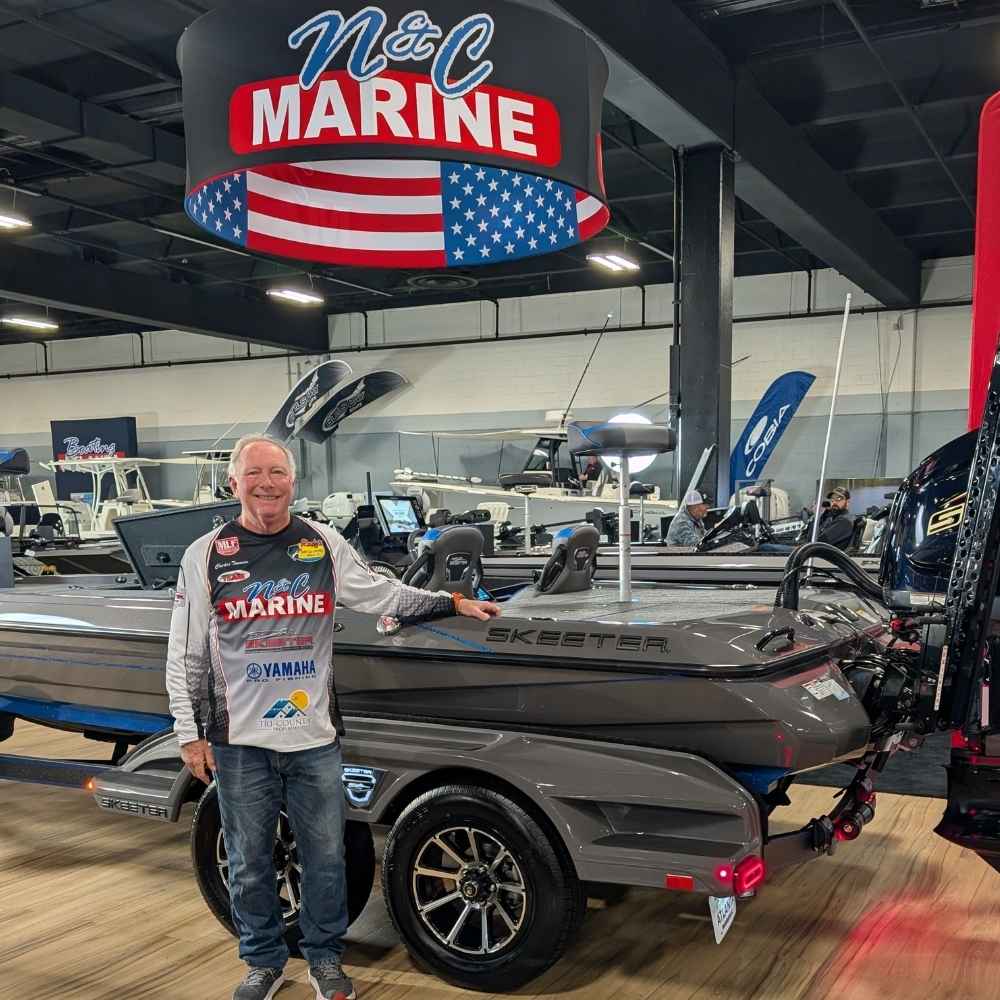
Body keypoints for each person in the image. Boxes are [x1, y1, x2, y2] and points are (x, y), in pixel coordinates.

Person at [165, 434, 501, 1000]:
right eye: (254, 473)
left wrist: (451, 602)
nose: (266, 483)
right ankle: (263, 963)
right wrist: (187, 733)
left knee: (325, 858)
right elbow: (186, 653)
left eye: (277, 473)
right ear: (234, 483)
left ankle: (324, 960)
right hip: (238, 740)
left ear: (293, 483)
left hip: (313, 737)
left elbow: (379, 595)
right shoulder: (205, 554)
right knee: (249, 862)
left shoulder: (322, 542)